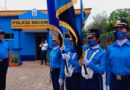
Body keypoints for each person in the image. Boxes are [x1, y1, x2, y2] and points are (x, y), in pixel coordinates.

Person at [106, 18, 130, 90]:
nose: (118, 30)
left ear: (128, 32)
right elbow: (108, 67)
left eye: (121, 28)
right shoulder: (110, 48)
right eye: (116, 28)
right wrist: (107, 83)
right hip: (114, 82)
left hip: (128, 82)